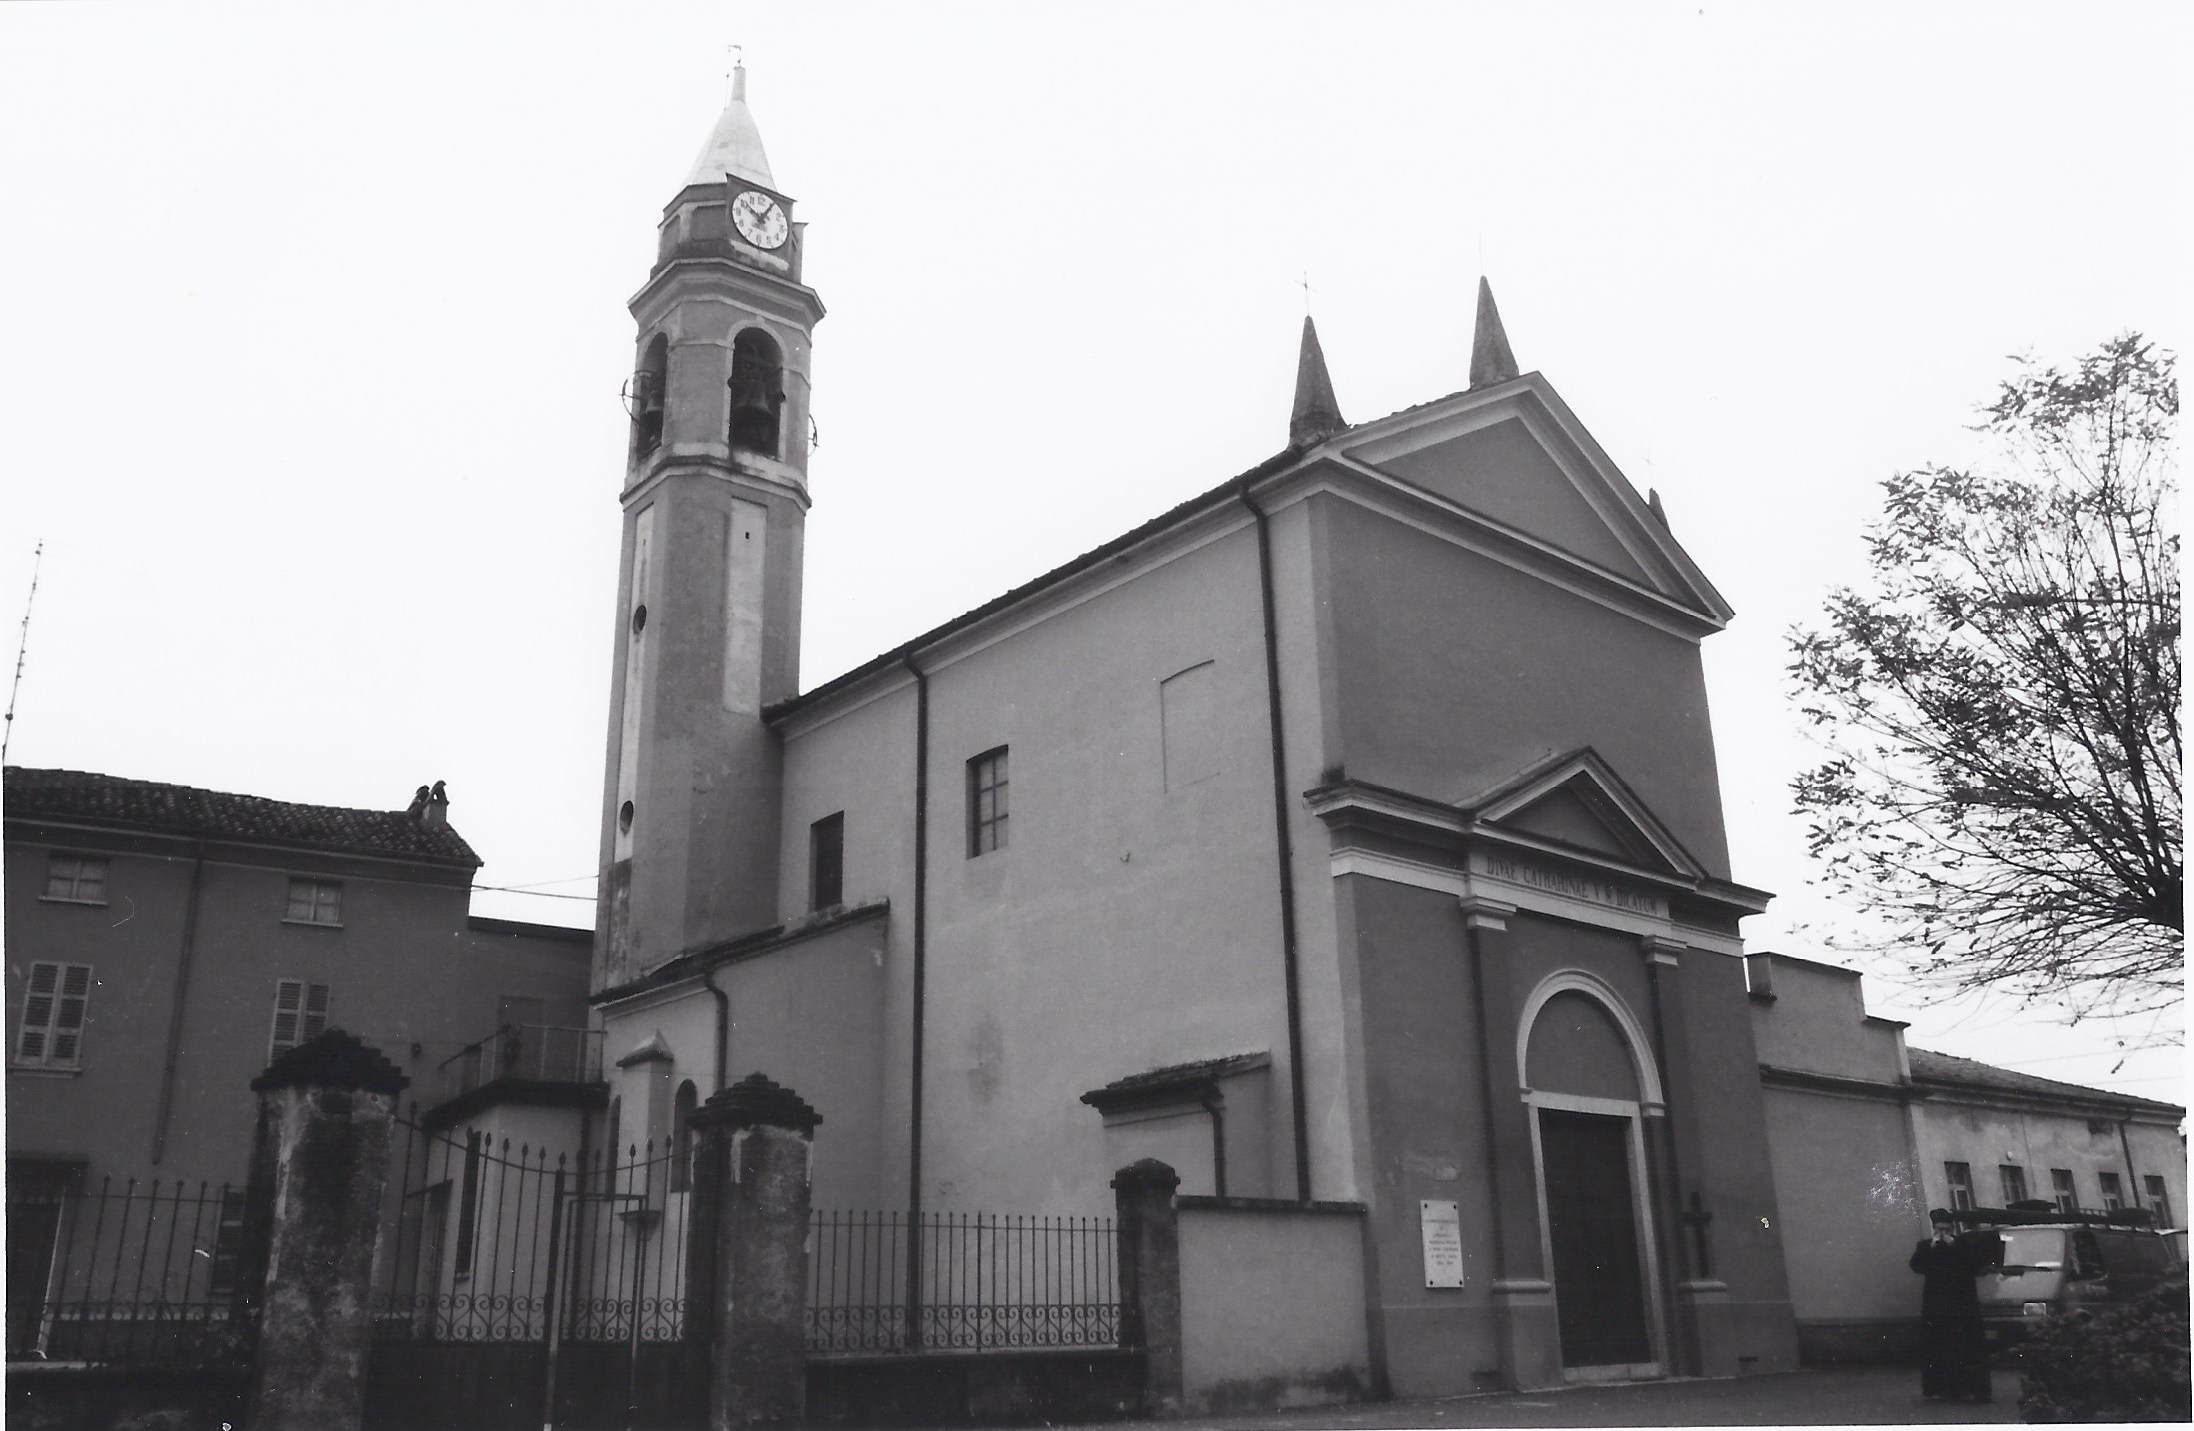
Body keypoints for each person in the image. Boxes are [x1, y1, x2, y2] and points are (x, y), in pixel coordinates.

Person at [1909, 1209, 1998, 1403]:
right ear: (1934, 1229)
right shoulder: (1926, 1246)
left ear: (1951, 1229)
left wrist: (1955, 1245)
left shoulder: (1965, 1245)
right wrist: (1931, 1247)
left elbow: (1974, 1265)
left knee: (1966, 1347)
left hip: (1962, 1306)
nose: (1942, 1233)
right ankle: (1942, 1388)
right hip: (1937, 1307)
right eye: (1939, 1229)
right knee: (1940, 1347)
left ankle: (1971, 1388)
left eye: (1946, 1229)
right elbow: (1916, 1266)